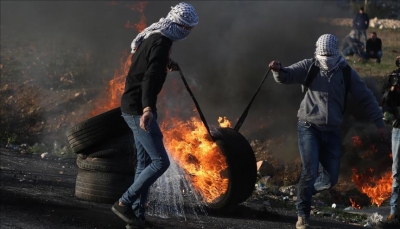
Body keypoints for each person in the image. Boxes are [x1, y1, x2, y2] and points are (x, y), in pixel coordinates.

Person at [268, 34, 385, 229]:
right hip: (309, 127)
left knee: (330, 179)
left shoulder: (346, 72)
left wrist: (380, 123)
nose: (326, 62)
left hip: (332, 131)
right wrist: (278, 70)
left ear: (336, 53)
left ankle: (303, 191)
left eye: (330, 57)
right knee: (309, 171)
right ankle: (302, 215)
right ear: (318, 52)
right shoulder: (310, 66)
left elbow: (366, 97)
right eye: (323, 57)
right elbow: (287, 75)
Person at [112, 2, 199, 228]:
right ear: (180, 26)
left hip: (132, 105)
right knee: (160, 162)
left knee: (144, 162)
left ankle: (136, 217)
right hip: (138, 109)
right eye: (188, 29)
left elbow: (146, 64)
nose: (188, 33)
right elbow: (149, 78)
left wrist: (166, 63)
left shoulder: (154, 36)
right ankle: (123, 202)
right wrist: (148, 109)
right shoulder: (161, 42)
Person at [380, 56, 400, 228]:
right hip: (399, 129)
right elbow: (385, 102)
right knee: (397, 173)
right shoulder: (395, 79)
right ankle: (394, 213)